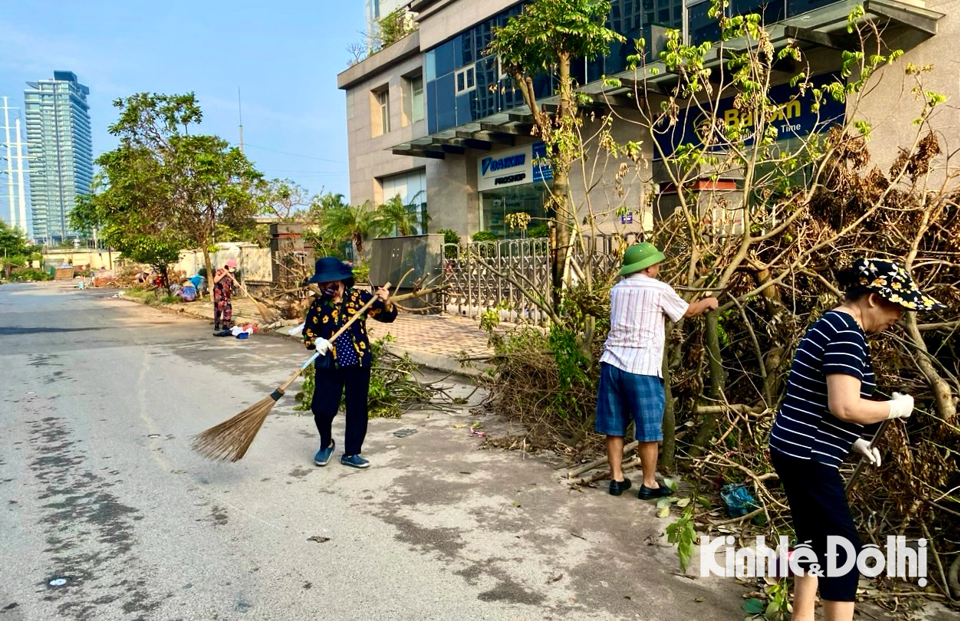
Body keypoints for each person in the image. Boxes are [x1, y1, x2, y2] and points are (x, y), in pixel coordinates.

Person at [768, 258, 944, 621]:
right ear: (874, 298)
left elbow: (811, 398)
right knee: (843, 551)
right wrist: (895, 409)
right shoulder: (847, 333)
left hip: (793, 446)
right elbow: (845, 406)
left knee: (815, 541)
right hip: (809, 455)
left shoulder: (829, 323)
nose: (900, 316)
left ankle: (801, 616)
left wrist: (851, 442)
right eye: (898, 306)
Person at [597, 242, 719, 499]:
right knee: (649, 428)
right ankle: (649, 483)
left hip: (611, 364)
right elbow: (688, 312)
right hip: (641, 367)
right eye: (657, 263)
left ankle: (617, 479)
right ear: (649, 267)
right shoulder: (658, 288)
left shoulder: (617, 289)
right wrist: (708, 301)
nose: (659, 267)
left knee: (614, 425)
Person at [302, 257, 397, 469]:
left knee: (357, 408)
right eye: (322, 284)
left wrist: (385, 301)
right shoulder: (318, 306)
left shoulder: (360, 298)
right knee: (322, 408)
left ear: (341, 280)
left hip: (357, 362)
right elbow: (308, 333)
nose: (326, 287)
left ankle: (352, 452)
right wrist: (317, 341)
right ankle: (326, 443)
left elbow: (387, 317)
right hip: (329, 364)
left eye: (329, 283)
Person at [213, 259, 237, 333]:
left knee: (228, 309)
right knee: (218, 309)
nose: (234, 269)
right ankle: (217, 325)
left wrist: (236, 284)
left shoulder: (232, 274)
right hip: (219, 293)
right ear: (228, 266)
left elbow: (233, 283)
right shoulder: (220, 271)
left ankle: (226, 325)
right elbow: (215, 280)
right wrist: (224, 274)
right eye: (233, 267)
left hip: (227, 293)